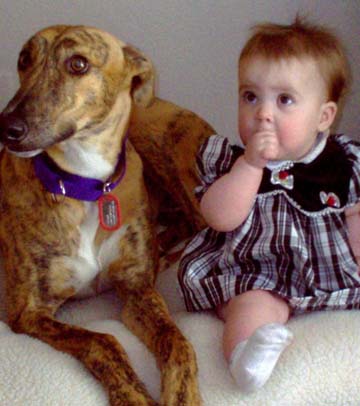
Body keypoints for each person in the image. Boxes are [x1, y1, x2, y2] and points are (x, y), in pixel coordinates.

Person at [178, 16, 359, 393]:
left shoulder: (344, 161)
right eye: (250, 96)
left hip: (324, 267)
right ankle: (246, 356)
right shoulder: (230, 160)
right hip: (257, 270)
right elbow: (219, 217)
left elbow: (354, 209)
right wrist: (251, 166)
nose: (263, 112)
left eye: (284, 100)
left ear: (324, 117)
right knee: (253, 306)